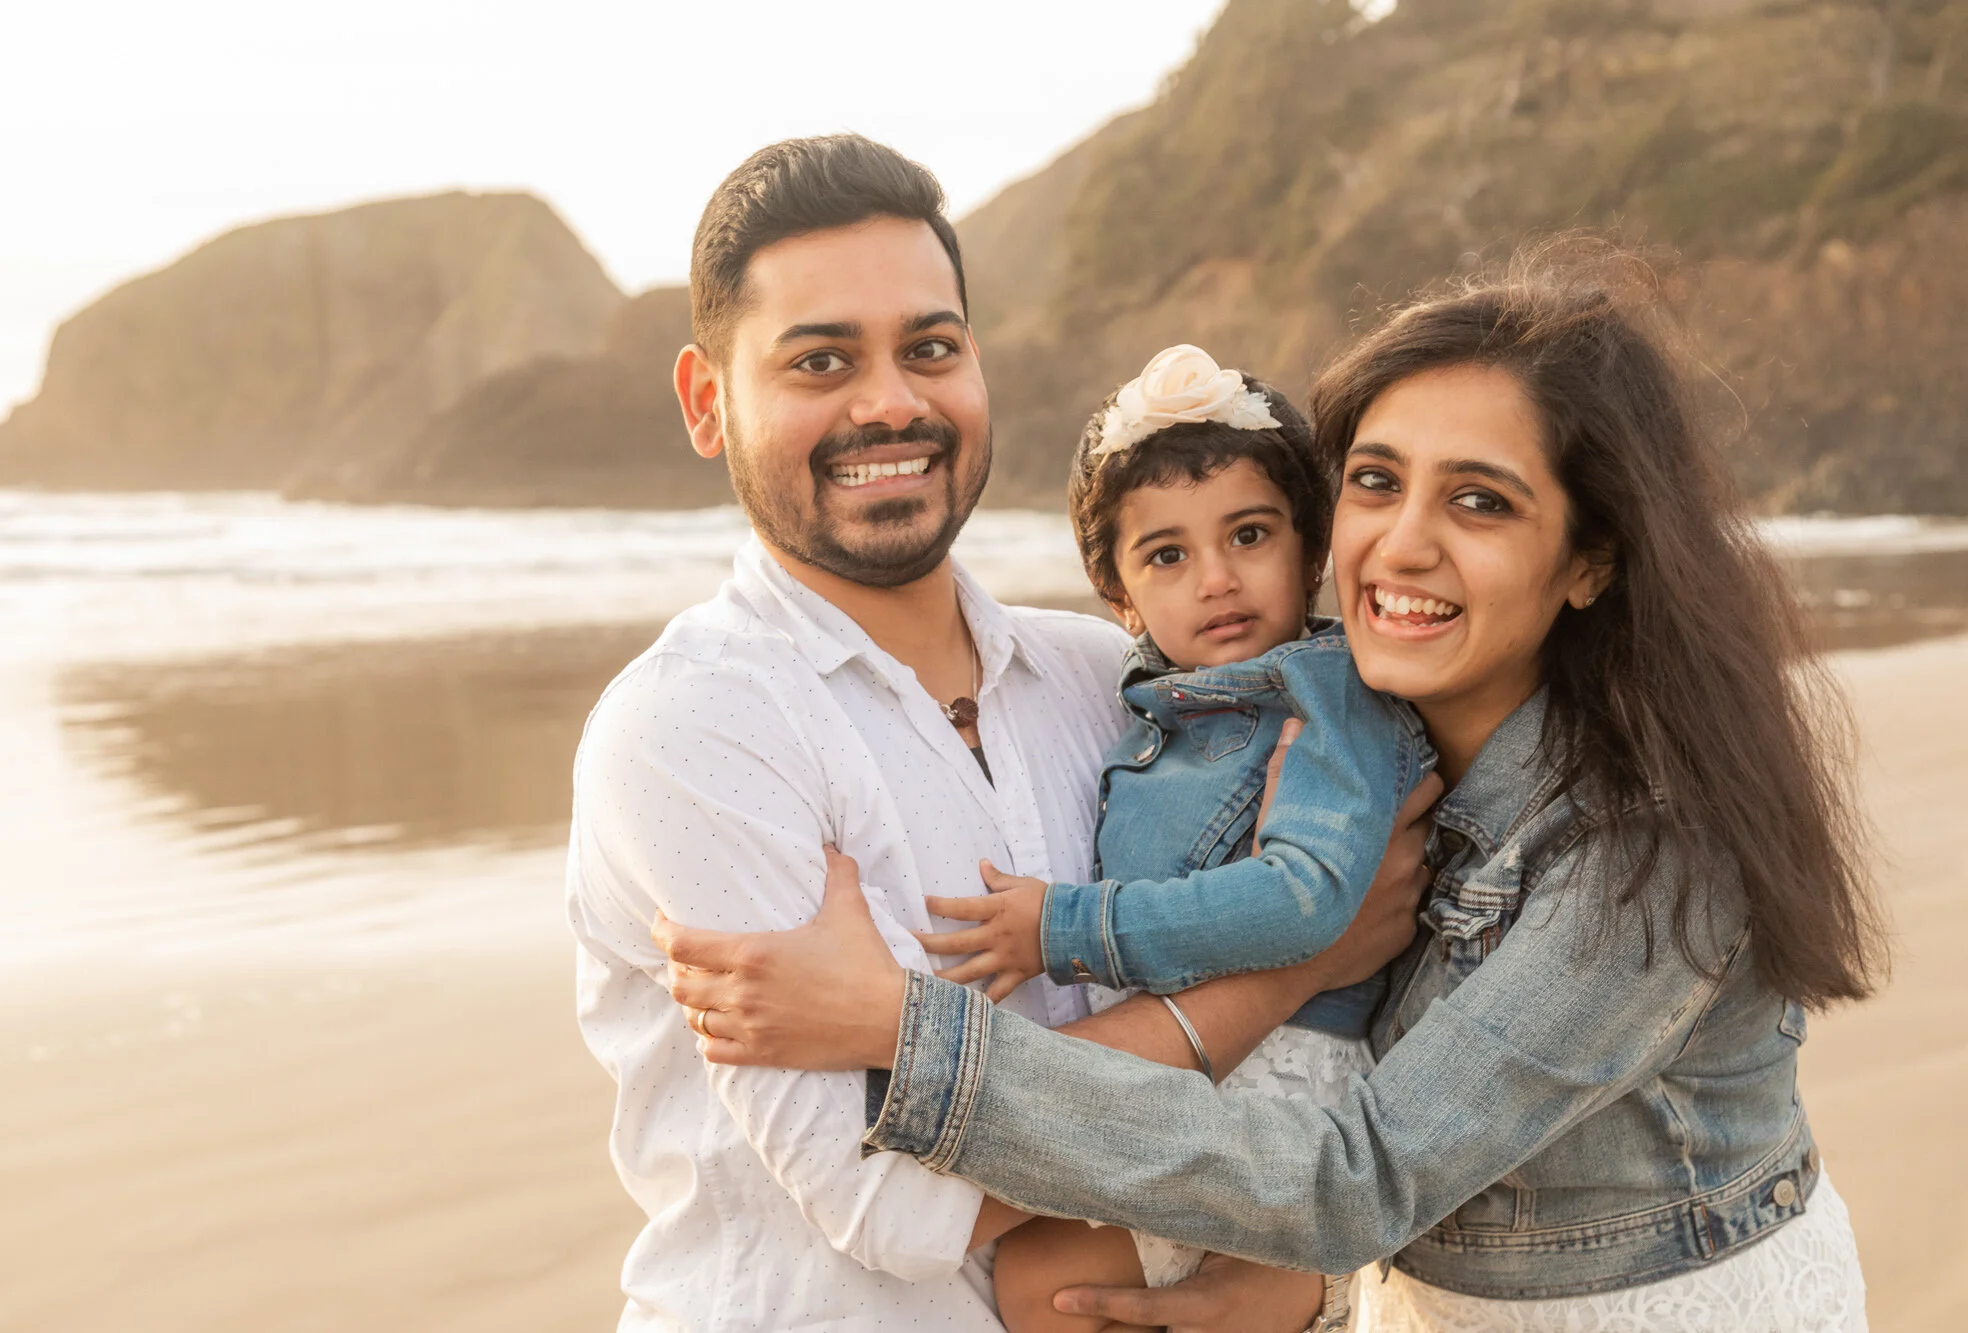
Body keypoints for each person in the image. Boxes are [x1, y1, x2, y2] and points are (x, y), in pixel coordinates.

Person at [654, 246, 1887, 1331]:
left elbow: (1358, 1170)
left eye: (1478, 500)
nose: (1400, 542)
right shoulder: (1336, 741)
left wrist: (910, 1034)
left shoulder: (1640, 854)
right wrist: (1318, 1283)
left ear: (1588, 559)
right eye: (1372, 480)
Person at [567, 133, 1427, 1333]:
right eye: (819, 360)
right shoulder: (693, 729)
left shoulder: (1113, 679)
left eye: (930, 347)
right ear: (709, 401)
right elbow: (891, 1206)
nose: (890, 402)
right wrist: (1291, 970)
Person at [908, 343, 1436, 1333]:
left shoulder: (1325, 698)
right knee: (1044, 1282)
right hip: (1201, 1072)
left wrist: (1063, 929)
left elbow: (1305, 898)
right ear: (1117, 593)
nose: (1216, 579)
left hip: (1284, 1080)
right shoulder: (1154, 710)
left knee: (1046, 1282)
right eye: (1167, 555)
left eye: (1248, 534)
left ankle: (1293, 1286)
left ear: (1310, 548)